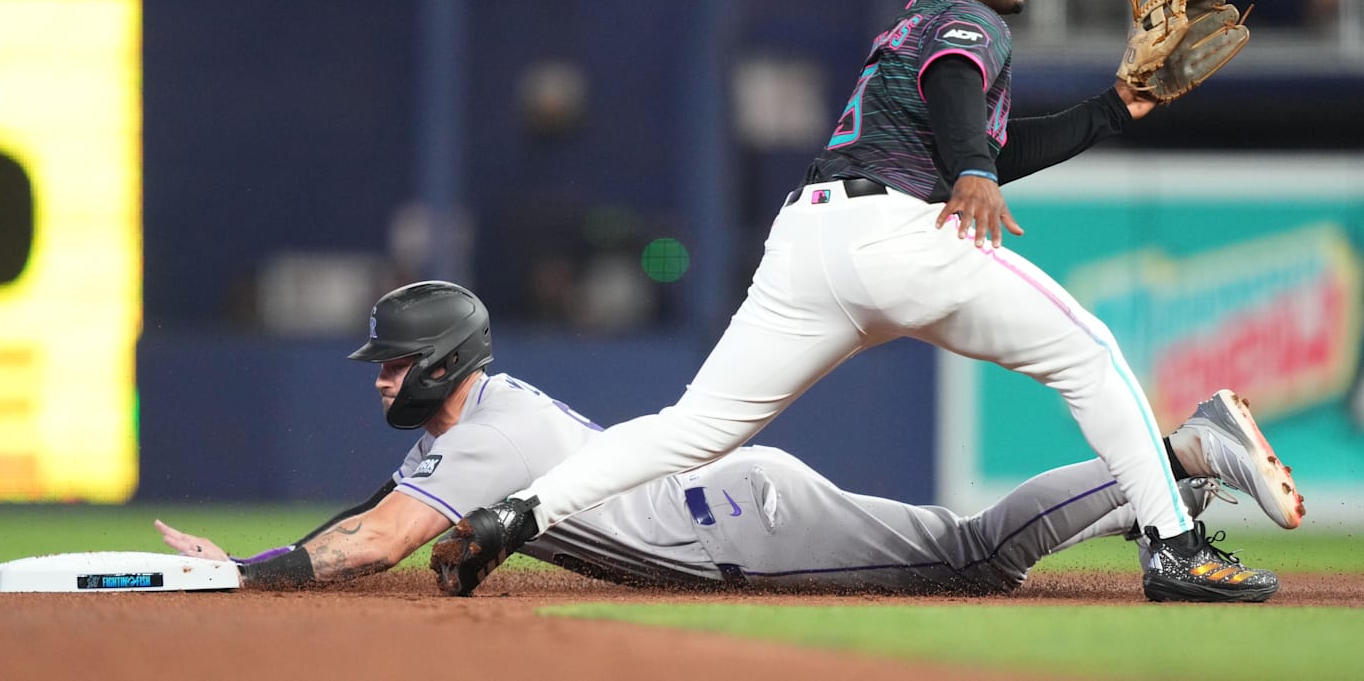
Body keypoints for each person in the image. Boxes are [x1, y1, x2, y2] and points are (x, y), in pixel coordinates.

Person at [429, 0, 1305, 604]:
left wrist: (1115, 105)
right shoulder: (965, 20)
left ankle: (513, 518)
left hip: (807, 241)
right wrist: (971, 174)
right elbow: (960, 93)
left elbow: (992, 142)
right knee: (1091, 353)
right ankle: (1175, 549)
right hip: (896, 234)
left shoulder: (912, 30)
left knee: (692, 428)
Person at [156, 281, 1299, 601]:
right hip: (727, 505)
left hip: (737, 528)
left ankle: (1185, 453)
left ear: (444, 365)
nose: (384, 382)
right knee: (964, 549)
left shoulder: (485, 436)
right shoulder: (479, 421)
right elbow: (376, 504)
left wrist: (244, 578)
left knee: (972, 557)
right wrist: (272, 557)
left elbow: (376, 542)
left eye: (395, 365)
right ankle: (1180, 454)